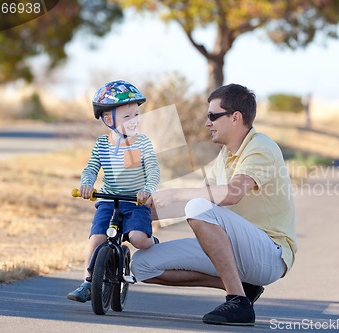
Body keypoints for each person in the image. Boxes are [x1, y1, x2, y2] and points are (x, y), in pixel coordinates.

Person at [132, 83, 297, 326]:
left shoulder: (261, 147)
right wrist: (136, 214)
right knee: (142, 265)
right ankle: (245, 289)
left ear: (235, 118)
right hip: (230, 246)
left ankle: (238, 302)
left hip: (269, 254)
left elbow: (232, 194)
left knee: (198, 206)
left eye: (213, 116)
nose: (208, 123)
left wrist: (176, 192)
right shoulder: (225, 155)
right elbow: (201, 199)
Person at [67, 80, 160, 303]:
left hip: (135, 201)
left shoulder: (143, 143)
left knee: (138, 238)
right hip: (108, 200)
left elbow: (153, 170)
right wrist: (87, 184)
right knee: (96, 238)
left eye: (136, 115)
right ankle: (88, 283)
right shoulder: (101, 144)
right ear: (108, 120)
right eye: (127, 117)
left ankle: (151, 241)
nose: (134, 120)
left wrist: (147, 190)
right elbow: (91, 168)